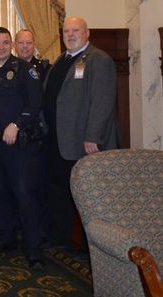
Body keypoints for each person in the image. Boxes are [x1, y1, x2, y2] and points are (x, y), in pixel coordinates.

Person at [43, 16, 119, 249]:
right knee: (59, 191)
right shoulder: (63, 59)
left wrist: (93, 136)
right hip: (58, 141)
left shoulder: (98, 59)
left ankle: (93, 247)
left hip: (83, 143)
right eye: (66, 31)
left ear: (87, 33)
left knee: (87, 196)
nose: (70, 35)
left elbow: (102, 101)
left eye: (75, 30)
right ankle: (62, 239)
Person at [0, 28, 46, 269]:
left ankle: (34, 249)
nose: (1, 46)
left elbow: (35, 104)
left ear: (11, 45)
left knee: (24, 195)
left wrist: (16, 124)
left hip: (19, 145)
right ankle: (6, 239)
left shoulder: (25, 70)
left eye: (5, 42)